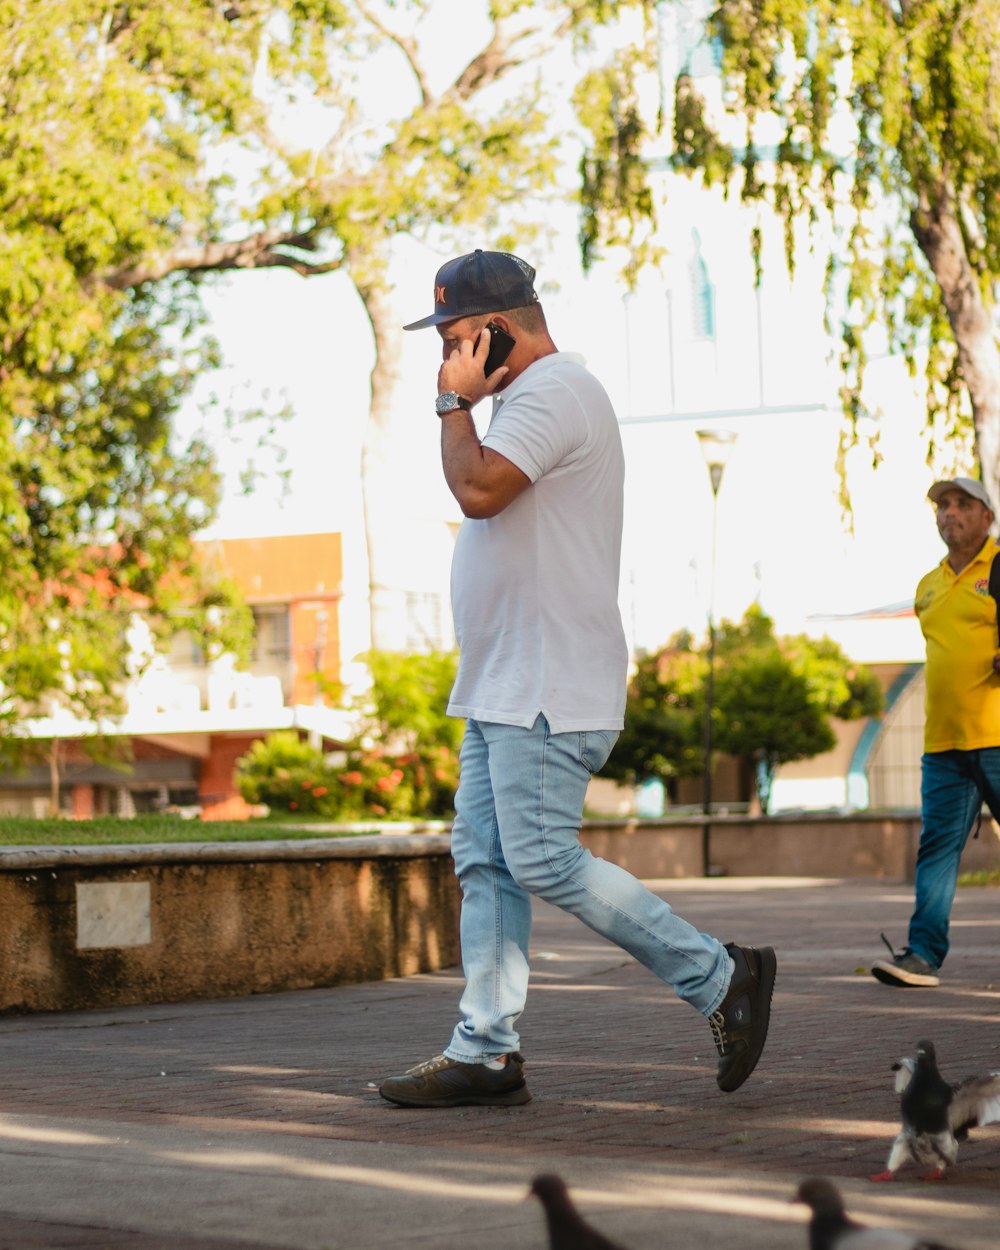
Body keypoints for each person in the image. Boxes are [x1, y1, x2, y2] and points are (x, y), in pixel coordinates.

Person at [378, 248, 776, 1108]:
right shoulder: (520, 402)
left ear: (495, 330)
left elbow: (478, 492)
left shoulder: (554, 392)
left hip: (547, 681)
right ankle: (484, 1051)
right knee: (486, 863)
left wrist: (452, 403)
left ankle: (718, 976)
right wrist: (465, 404)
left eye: (451, 337)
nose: (442, 356)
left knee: (542, 858)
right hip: (503, 682)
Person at [872, 476, 1000, 989]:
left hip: (995, 738)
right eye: (942, 505)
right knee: (937, 852)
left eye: (962, 504)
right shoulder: (927, 585)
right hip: (943, 745)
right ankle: (922, 956)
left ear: (986, 517)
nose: (950, 512)